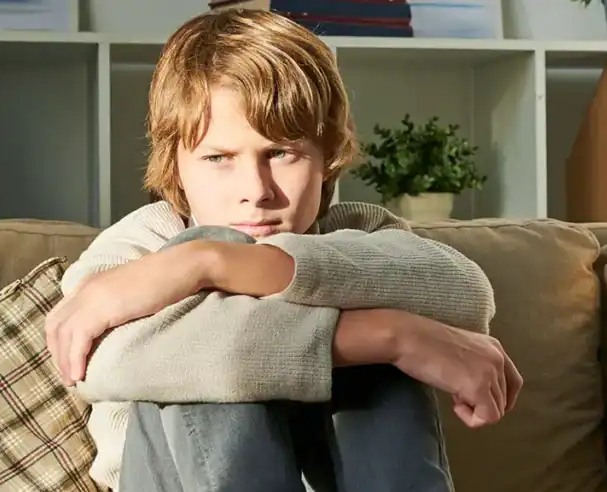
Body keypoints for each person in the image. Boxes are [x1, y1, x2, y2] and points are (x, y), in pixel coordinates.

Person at [44, 9, 523, 492]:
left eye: (281, 153)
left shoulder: (359, 228)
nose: (256, 190)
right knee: (195, 336)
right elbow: (101, 363)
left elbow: (468, 295)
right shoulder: (142, 245)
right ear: (177, 165)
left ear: (325, 157)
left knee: (370, 318)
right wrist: (390, 335)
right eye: (218, 159)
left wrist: (216, 265)